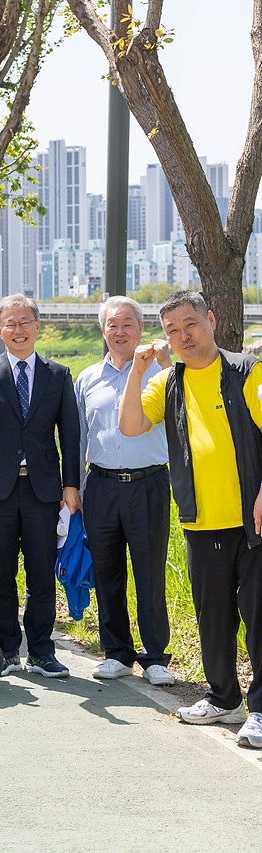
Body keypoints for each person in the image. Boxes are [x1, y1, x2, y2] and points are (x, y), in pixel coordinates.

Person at [119, 290, 262, 745]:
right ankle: (224, 699)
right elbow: (130, 426)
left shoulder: (246, 371)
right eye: (172, 331)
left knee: (260, 617)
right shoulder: (169, 383)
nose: (183, 336)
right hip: (201, 523)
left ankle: (260, 709)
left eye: (190, 324)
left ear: (211, 320)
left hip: (253, 523)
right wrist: (138, 370)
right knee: (213, 617)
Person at [0, 293, 80, 679]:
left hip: (43, 488)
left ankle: (43, 651)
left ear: (37, 326)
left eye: (24, 322)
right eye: (10, 324)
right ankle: (8, 648)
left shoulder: (59, 374)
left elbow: (71, 434)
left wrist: (71, 486)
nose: (18, 330)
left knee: (42, 573)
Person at [77, 296, 174, 685]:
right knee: (107, 572)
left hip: (149, 482)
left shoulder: (161, 373)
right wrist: (77, 490)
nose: (120, 331)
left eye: (128, 324)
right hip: (100, 484)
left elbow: (183, 407)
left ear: (140, 328)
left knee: (149, 572)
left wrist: (165, 362)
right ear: (103, 330)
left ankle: (155, 658)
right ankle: (116, 651)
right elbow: (80, 437)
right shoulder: (86, 378)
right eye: (112, 325)